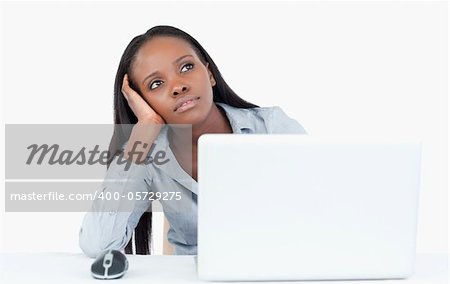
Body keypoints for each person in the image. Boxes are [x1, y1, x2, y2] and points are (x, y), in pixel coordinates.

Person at [79, 25, 307, 258]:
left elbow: (321, 210)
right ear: (142, 102)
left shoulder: (271, 127)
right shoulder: (145, 155)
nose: (178, 87)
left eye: (186, 67)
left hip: (275, 272)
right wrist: (141, 135)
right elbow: (98, 245)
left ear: (209, 74)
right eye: (156, 84)